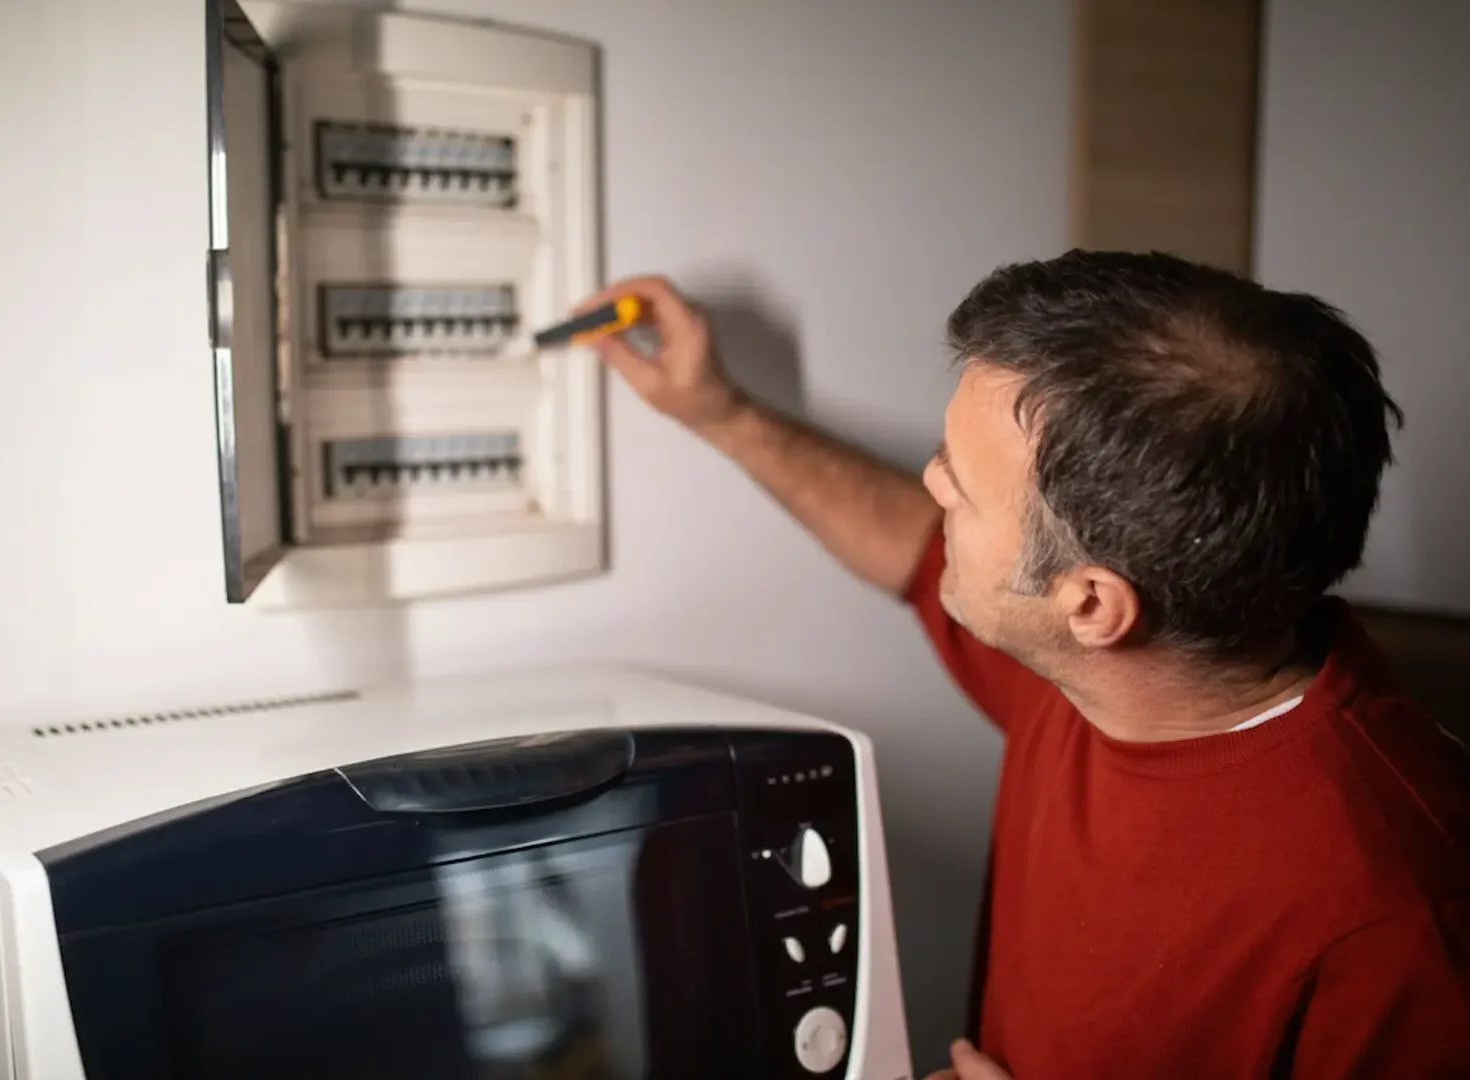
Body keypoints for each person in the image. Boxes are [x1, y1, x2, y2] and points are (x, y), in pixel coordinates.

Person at [577, 252, 1470, 1079]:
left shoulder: (1396, 919)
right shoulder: (1130, 664)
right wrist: (720, 411)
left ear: (1090, 606)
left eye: (957, 486)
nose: (928, 484)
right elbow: (914, 549)